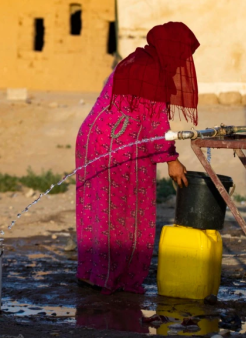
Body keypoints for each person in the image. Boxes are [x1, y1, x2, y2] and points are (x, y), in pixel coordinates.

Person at [74, 22, 200, 294]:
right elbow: (154, 124)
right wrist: (171, 160)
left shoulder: (135, 60)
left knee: (98, 211)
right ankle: (115, 279)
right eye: (181, 54)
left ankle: (94, 274)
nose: (182, 62)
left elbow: (144, 120)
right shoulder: (150, 71)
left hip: (97, 139)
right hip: (116, 146)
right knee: (123, 211)